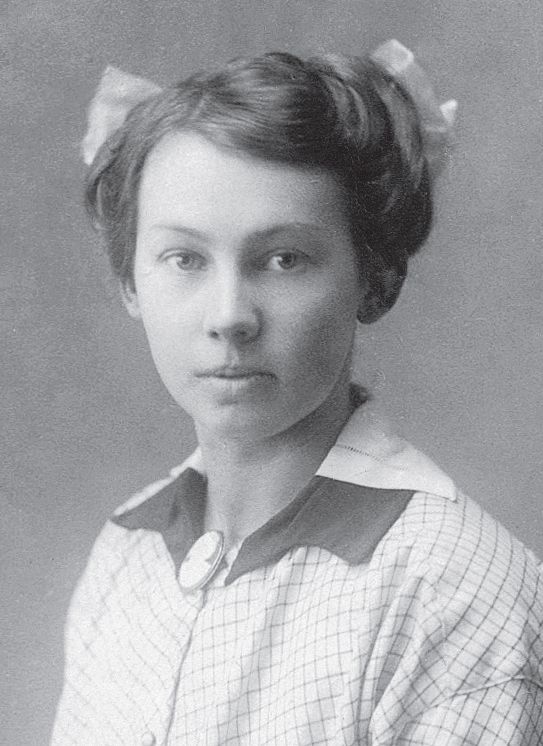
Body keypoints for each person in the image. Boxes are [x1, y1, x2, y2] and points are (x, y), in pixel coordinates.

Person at [51, 41, 543, 745]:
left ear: (373, 277)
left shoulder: (449, 586)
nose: (229, 315)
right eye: (184, 258)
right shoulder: (125, 555)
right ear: (131, 282)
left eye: (284, 259)